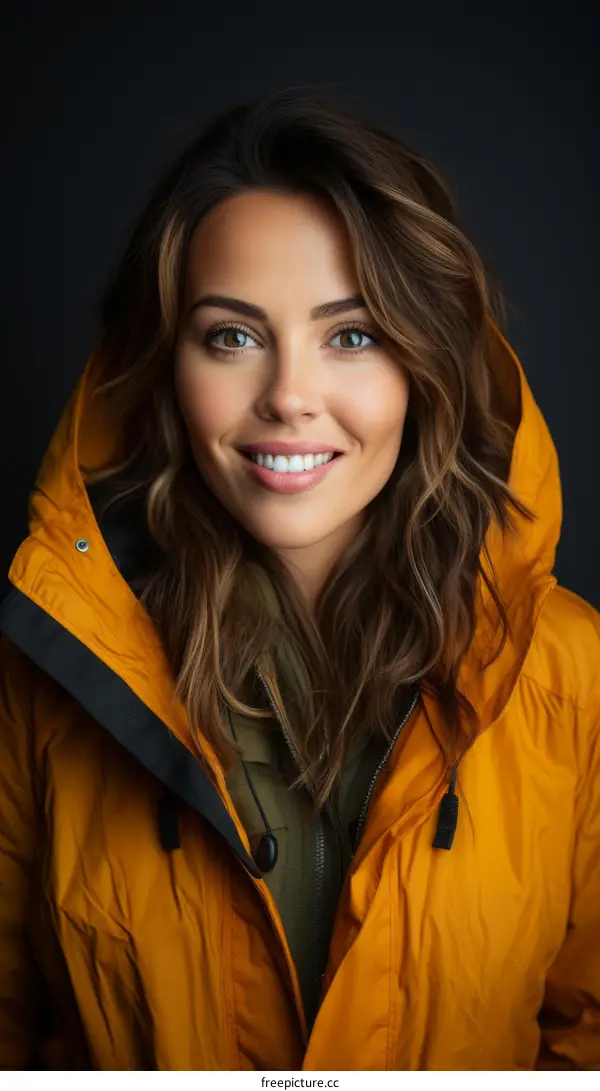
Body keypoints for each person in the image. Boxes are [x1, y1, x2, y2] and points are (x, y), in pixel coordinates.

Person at [0, 85, 598, 1073]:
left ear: (427, 362)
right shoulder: (45, 675)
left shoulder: (569, 670)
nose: (286, 394)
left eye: (351, 334)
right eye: (231, 335)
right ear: (163, 365)